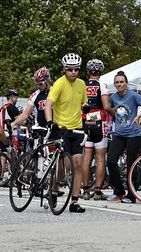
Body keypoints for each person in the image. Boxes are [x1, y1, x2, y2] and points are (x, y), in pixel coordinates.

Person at [45, 53, 89, 213]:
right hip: (62, 129)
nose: (74, 72)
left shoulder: (82, 84)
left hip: (77, 129)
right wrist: (51, 122)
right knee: (63, 166)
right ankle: (55, 188)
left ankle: (75, 201)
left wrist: (86, 108)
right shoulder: (59, 84)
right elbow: (48, 104)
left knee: (77, 164)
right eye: (70, 69)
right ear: (65, 69)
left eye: (76, 69)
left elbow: (83, 103)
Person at [105, 71, 141, 204]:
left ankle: (131, 194)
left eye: (122, 82)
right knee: (110, 160)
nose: (119, 84)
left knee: (131, 164)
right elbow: (110, 109)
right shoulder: (114, 97)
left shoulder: (133, 96)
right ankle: (119, 191)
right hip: (120, 134)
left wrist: (139, 116)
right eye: (117, 82)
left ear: (126, 83)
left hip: (134, 135)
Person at [81, 58, 111, 201]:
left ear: (88, 71)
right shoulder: (103, 85)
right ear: (101, 72)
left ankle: (85, 189)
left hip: (86, 121)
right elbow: (106, 106)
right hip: (99, 121)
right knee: (100, 158)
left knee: (87, 158)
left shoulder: (82, 85)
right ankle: (98, 191)